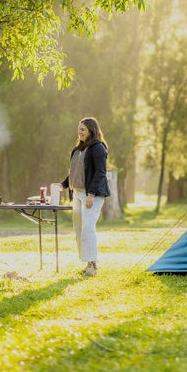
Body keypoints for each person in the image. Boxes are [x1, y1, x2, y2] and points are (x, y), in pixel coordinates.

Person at [60, 117, 110, 276]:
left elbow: (101, 173)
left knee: (88, 228)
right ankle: (87, 263)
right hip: (78, 193)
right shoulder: (78, 150)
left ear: (91, 130)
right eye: (78, 129)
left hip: (92, 195)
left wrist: (91, 194)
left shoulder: (98, 148)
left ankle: (93, 265)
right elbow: (74, 173)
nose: (79, 132)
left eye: (83, 129)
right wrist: (62, 185)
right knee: (79, 229)